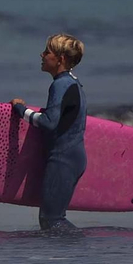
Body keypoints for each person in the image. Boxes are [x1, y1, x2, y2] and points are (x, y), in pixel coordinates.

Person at [11, 34, 88, 234]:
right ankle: (70, 256)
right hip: (72, 156)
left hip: (63, 159)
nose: (42, 55)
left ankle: (82, 250)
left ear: (60, 59)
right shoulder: (73, 83)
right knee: (52, 218)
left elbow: (49, 123)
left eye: (47, 52)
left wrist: (22, 111)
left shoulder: (60, 84)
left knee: (51, 219)